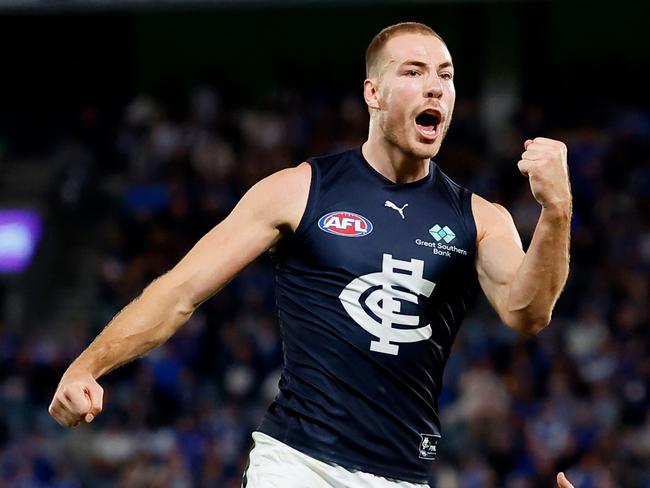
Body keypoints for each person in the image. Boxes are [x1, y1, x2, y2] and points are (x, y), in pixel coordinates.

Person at [49, 22, 574, 488]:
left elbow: (527, 312)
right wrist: (87, 367)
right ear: (373, 92)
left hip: (404, 475)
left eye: (446, 74)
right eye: (413, 72)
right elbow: (181, 290)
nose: (435, 86)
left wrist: (556, 212)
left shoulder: (481, 219)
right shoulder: (298, 191)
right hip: (297, 465)